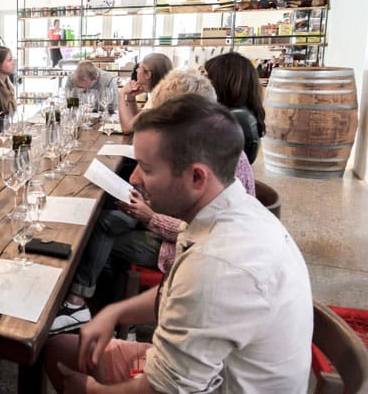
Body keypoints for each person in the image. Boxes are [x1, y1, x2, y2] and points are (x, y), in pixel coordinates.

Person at [45, 95, 312, 393]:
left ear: (197, 177)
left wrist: (90, 390)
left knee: (65, 364)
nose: (134, 178)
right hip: (209, 371)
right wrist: (115, 313)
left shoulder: (217, 267)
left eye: (146, 168)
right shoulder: (226, 210)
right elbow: (171, 292)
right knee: (59, 350)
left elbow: (163, 390)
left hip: (209, 385)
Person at [51, 72, 256, 334]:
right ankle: (98, 309)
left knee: (100, 234)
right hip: (171, 229)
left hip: (171, 245)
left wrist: (148, 216)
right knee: (108, 216)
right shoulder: (211, 146)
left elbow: (190, 236)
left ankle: (90, 309)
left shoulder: (214, 264)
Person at [204, 52, 266, 163]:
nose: (204, 82)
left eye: (208, 77)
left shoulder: (234, 118)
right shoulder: (239, 114)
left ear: (223, 80)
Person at [117, 53, 173, 133]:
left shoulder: (159, 100)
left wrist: (121, 93)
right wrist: (131, 97)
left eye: (139, 67)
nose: (136, 70)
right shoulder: (161, 93)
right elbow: (138, 120)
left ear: (147, 75)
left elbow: (127, 128)